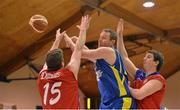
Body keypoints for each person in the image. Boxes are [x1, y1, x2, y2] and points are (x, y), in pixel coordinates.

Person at [64, 27, 136, 109]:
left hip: (120, 101)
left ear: (112, 42)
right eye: (100, 37)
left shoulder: (109, 52)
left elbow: (82, 53)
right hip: (106, 102)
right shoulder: (101, 57)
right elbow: (88, 53)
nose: (99, 40)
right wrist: (77, 40)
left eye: (104, 38)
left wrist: (66, 38)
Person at [37, 15, 90, 109]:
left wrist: (57, 41)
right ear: (62, 63)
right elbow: (78, 48)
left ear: (48, 64)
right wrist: (83, 30)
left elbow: (48, 58)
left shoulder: (42, 76)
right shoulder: (68, 74)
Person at [116, 19, 166, 109]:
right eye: (145, 56)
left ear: (156, 62)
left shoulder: (158, 80)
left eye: (148, 57)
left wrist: (126, 86)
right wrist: (119, 35)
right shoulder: (139, 74)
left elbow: (139, 95)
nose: (144, 58)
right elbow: (123, 58)